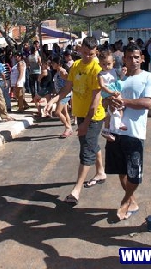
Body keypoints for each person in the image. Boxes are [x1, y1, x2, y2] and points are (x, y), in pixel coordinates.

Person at [45, 36, 106, 206]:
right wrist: (53, 100)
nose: (88, 56)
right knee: (90, 144)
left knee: (86, 150)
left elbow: (95, 101)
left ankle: (76, 189)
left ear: (96, 52)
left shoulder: (97, 69)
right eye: (85, 53)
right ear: (80, 50)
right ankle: (100, 171)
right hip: (80, 114)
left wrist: (86, 123)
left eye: (91, 54)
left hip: (93, 116)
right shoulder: (76, 66)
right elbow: (66, 89)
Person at [105, 43, 151, 220]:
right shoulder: (120, 79)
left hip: (135, 133)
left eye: (136, 57)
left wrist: (124, 102)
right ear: (124, 59)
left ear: (142, 58)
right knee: (121, 171)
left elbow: (147, 103)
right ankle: (132, 202)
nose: (133, 60)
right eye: (129, 57)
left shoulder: (149, 77)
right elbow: (107, 100)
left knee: (134, 174)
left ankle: (125, 200)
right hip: (115, 132)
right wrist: (110, 102)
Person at [97, 49, 125, 141]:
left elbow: (120, 78)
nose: (106, 66)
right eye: (103, 64)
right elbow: (102, 86)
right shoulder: (100, 74)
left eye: (108, 64)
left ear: (113, 62)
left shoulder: (114, 71)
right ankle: (116, 124)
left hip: (115, 90)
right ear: (99, 64)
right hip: (108, 92)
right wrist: (111, 92)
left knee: (115, 109)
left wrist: (123, 73)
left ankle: (107, 129)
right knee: (114, 106)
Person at [47, 56, 73, 138]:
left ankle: (67, 127)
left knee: (57, 112)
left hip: (64, 95)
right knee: (65, 112)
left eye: (53, 63)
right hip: (60, 94)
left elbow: (69, 82)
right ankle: (69, 129)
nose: (52, 65)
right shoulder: (58, 72)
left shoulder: (62, 71)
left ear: (59, 64)